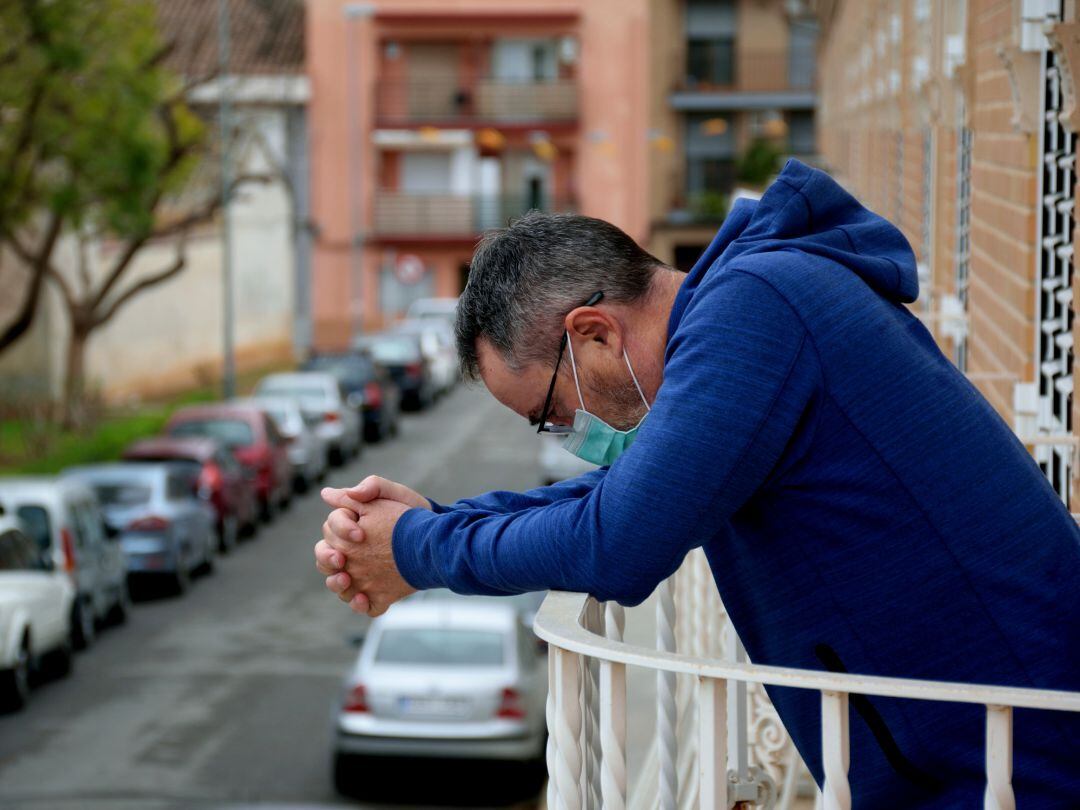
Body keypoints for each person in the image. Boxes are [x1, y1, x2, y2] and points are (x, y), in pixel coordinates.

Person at [313, 158, 1080, 808]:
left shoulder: (756, 315)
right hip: (974, 750)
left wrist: (418, 550)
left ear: (594, 333)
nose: (564, 436)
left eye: (549, 411)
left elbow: (621, 542)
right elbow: (628, 498)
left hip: (1018, 763)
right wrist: (438, 521)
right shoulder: (754, 308)